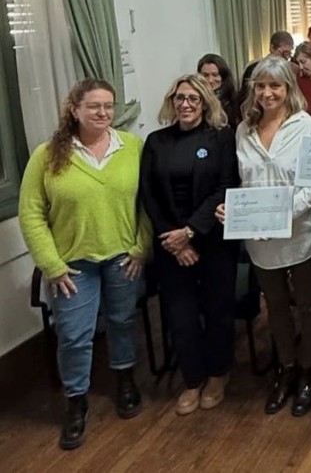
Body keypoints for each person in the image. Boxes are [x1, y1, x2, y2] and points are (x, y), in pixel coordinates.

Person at [18, 79, 150, 450]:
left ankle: (125, 380)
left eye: (108, 105)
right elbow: (30, 214)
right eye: (94, 106)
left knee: (123, 322)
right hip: (72, 266)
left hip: (123, 256)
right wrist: (51, 264)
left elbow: (147, 202)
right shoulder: (46, 155)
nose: (103, 113)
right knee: (74, 335)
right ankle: (76, 403)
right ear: (74, 109)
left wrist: (141, 246)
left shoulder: (133, 148)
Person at [216, 56, 311, 418]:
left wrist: (285, 212)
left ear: (288, 88)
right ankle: (286, 368)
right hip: (260, 238)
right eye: (261, 86)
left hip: (301, 233)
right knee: (276, 307)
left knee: (309, 306)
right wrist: (229, 211)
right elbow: (241, 183)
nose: (268, 93)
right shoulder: (242, 131)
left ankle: (309, 372)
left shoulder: (308, 128)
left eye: (275, 86)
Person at [139, 75, 238, 416]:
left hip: (212, 238)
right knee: (180, 314)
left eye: (194, 99)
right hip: (170, 244)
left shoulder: (221, 138)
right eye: (180, 98)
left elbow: (225, 186)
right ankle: (192, 379)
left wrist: (192, 231)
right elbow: (149, 195)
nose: (186, 104)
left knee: (217, 310)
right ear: (171, 101)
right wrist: (175, 238)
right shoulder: (155, 142)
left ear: (206, 102)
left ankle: (217, 374)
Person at [241, 30, 295, 95]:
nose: (285, 59)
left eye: (288, 54)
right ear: (272, 48)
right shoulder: (254, 67)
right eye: (284, 53)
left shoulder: (288, 69)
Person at [197, 53, 242, 128]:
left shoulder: (235, 100)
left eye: (215, 75)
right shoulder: (195, 101)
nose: (210, 80)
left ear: (223, 76)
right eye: (205, 75)